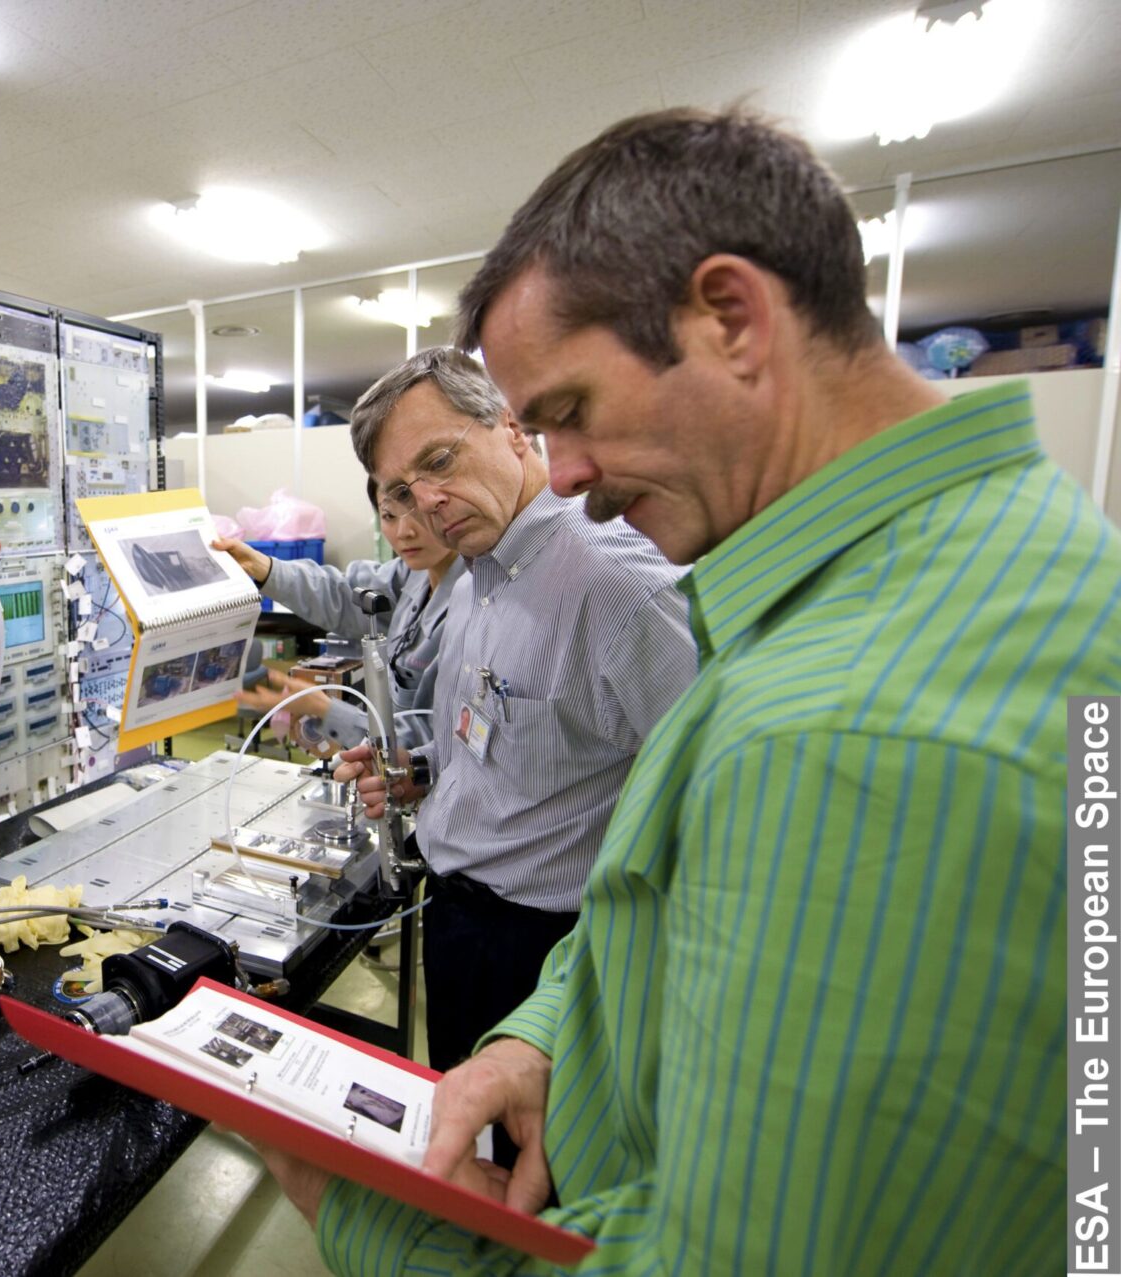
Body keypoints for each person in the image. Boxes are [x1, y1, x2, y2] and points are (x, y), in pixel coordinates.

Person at [266, 107, 1120, 1275]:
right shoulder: (983, 565)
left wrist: (364, 1214)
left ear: (732, 320)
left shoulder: (849, 728)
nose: (564, 475)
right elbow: (667, 888)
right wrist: (557, 1033)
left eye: (567, 413)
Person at [331, 347, 697, 1074]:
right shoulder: (477, 575)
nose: (425, 504)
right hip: (457, 919)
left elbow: (709, 811)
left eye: (439, 460)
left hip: (548, 950)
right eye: (400, 488)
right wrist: (424, 770)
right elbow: (509, 734)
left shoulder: (620, 588)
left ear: (512, 427)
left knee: (535, 1171)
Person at [214, 478, 464, 754]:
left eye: (417, 513)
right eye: (389, 515)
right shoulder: (414, 575)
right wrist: (262, 567)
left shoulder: (475, 605)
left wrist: (325, 709)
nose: (405, 532)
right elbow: (342, 594)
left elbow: (442, 740)